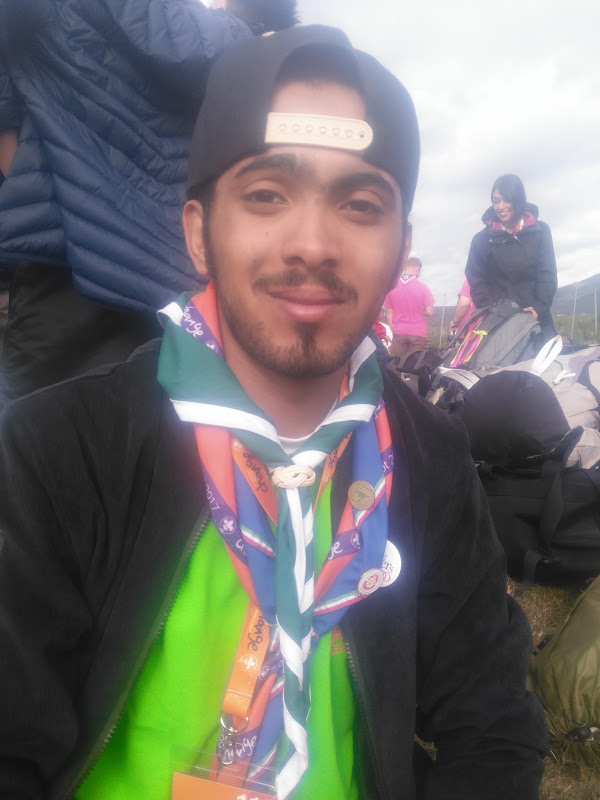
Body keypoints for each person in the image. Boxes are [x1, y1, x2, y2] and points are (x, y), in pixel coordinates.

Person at [0, 25, 548, 800]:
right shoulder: (58, 453)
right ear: (198, 233)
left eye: (360, 204)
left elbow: (492, 728)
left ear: (401, 249)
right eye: (266, 195)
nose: (312, 243)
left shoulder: (431, 460)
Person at [0, 0, 298, 404]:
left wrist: (48, 178)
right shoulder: (255, 52)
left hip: (66, 264)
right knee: (175, 431)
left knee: (44, 429)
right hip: (193, 278)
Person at [465, 174, 558, 342]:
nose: (500, 206)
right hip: (499, 327)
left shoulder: (540, 231)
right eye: (496, 201)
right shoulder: (482, 240)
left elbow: (547, 274)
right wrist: (492, 312)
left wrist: (539, 308)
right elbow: (476, 279)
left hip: (537, 320)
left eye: (506, 200)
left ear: (518, 200)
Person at [384, 256, 435, 357]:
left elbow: (389, 312)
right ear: (417, 268)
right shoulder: (423, 287)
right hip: (418, 333)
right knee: (415, 364)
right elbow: (430, 311)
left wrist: (394, 329)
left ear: (405, 268)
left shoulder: (392, 287)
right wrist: (418, 310)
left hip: (399, 332)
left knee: (396, 364)